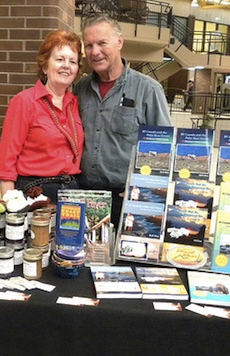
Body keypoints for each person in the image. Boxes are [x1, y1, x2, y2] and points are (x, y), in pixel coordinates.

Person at [73, 13, 172, 228]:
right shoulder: (79, 89)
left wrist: (143, 188)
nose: (95, 51)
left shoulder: (148, 90)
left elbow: (162, 148)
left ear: (119, 42)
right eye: (89, 45)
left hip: (126, 199)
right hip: (82, 195)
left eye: (102, 43)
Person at [0, 30, 83, 204]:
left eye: (72, 61)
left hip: (72, 190)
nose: (66, 65)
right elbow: (6, 162)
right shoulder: (24, 102)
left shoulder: (76, 104)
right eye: (59, 59)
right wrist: (11, 206)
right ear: (44, 66)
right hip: (35, 191)